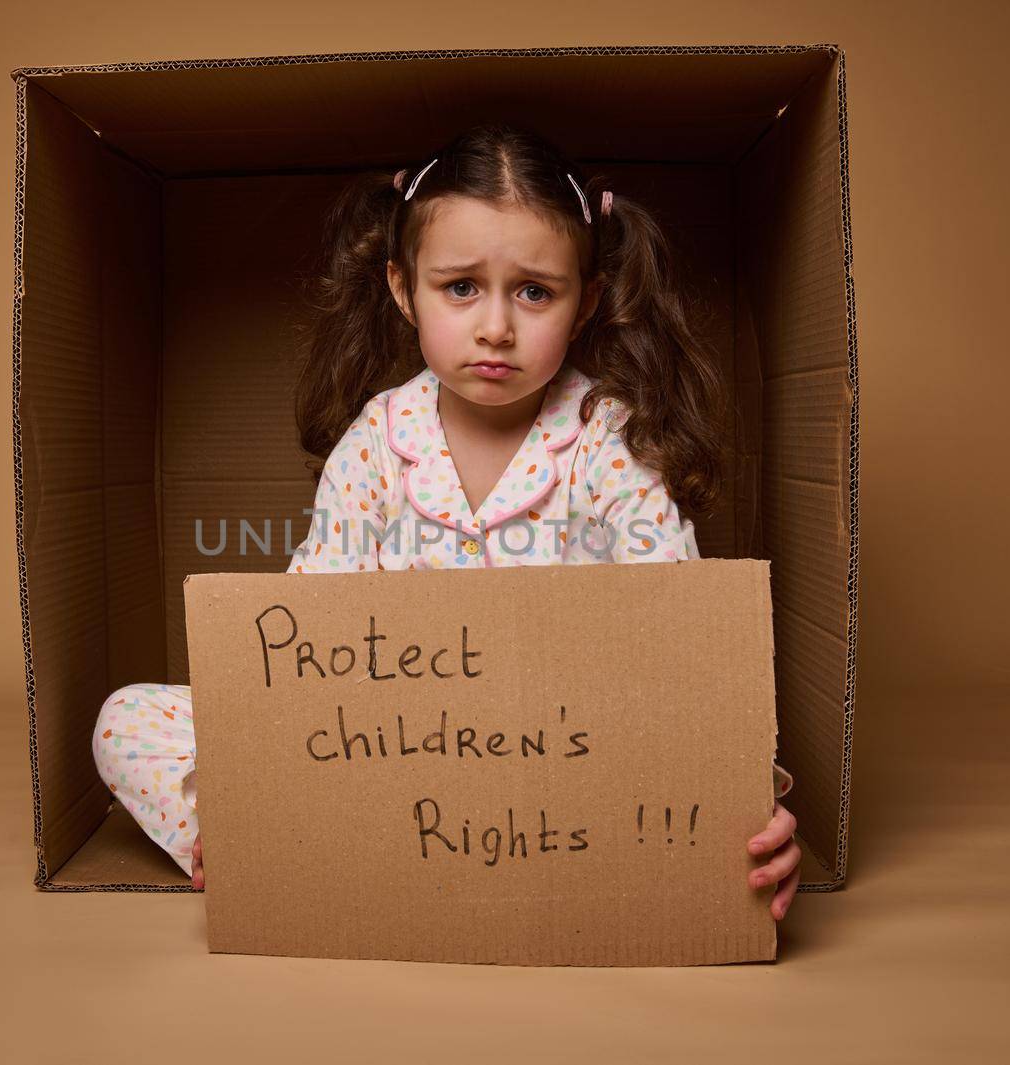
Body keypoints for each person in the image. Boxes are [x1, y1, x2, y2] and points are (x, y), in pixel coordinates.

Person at [92, 123, 801, 919]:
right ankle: (267, 842)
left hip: (561, 756)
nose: (496, 326)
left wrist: (743, 794)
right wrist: (258, 779)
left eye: (534, 291)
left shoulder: (608, 438)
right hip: (390, 754)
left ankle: (445, 851)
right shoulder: (377, 440)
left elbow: (682, 636)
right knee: (127, 720)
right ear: (404, 289)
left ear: (587, 300)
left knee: (692, 764)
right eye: (460, 287)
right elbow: (307, 631)